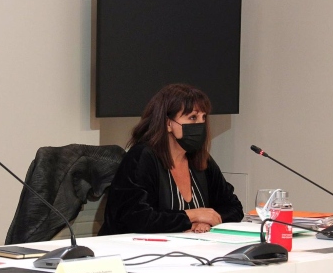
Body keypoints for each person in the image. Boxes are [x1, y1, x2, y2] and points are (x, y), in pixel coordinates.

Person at [99, 83, 243, 236]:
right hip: (132, 247)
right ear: (168, 123)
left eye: (203, 117)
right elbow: (138, 218)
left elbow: (234, 207)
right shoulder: (142, 157)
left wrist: (207, 221)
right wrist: (192, 216)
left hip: (188, 246)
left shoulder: (201, 159)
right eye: (192, 117)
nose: (200, 124)